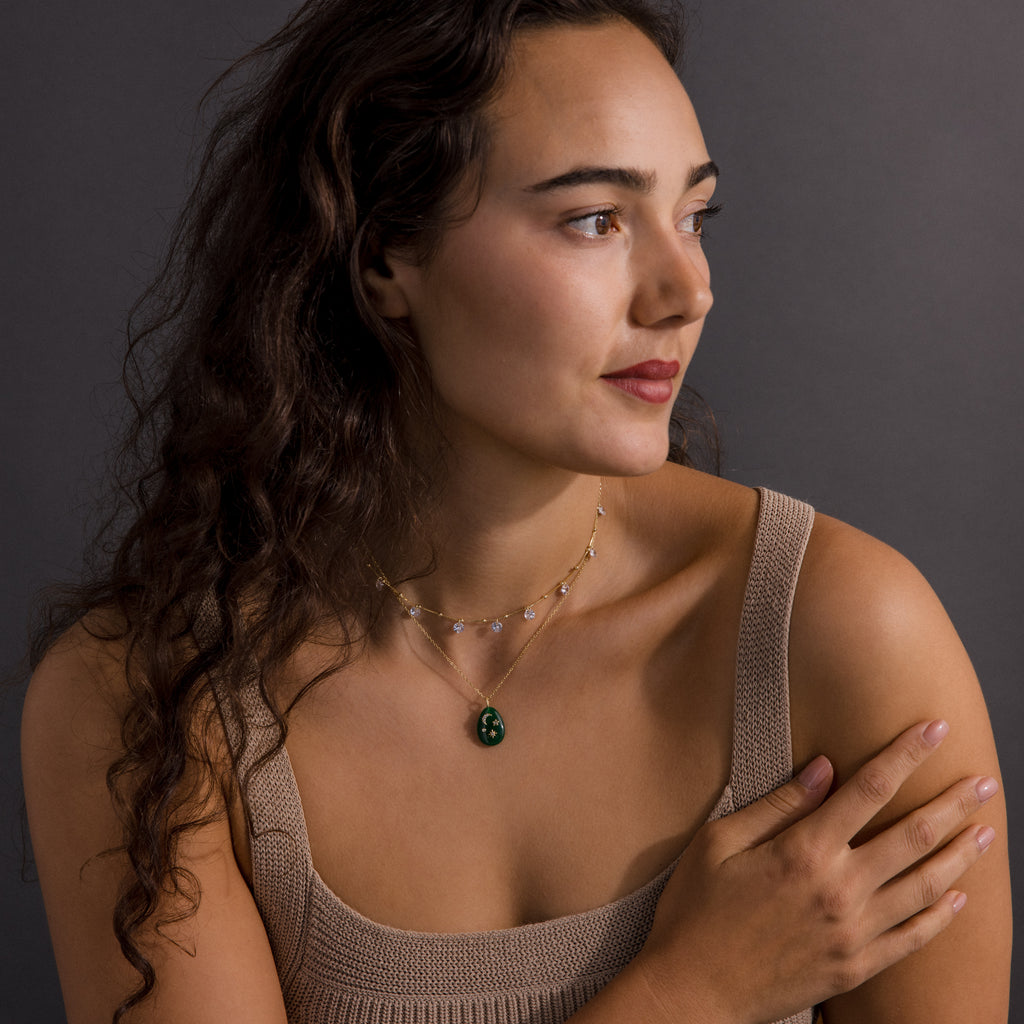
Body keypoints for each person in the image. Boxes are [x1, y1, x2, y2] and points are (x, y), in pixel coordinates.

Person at [21, 0, 1010, 1021]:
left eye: (693, 216)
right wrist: (696, 991)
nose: (686, 291)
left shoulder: (841, 632)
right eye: (595, 219)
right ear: (384, 256)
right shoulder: (150, 702)